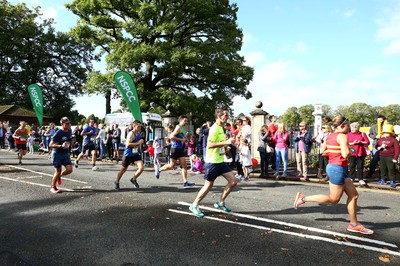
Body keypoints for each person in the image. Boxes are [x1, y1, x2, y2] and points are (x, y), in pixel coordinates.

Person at [294, 116, 374, 235]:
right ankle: (303, 198)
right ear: (341, 126)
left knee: (354, 196)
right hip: (337, 168)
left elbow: (322, 151)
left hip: (335, 167)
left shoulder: (330, 136)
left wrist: (336, 151)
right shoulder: (342, 136)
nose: (348, 127)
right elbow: (345, 153)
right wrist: (351, 150)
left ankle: (354, 224)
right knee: (334, 199)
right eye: (347, 125)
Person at [189, 109, 238, 218]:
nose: (227, 117)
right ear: (219, 116)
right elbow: (210, 145)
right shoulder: (214, 128)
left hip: (220, 161)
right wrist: (226, 142)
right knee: (208, 186)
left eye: (227, 115)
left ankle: (221, 202)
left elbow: (221, 144)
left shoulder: (221, 128)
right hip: (212, 162)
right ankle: (194, 205)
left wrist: (228, 147)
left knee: (233, 181)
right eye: (225, 115)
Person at [155, 115, 195, 188]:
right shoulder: (178, 127)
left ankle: (185, 183)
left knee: (184, 166)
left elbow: (180, 137)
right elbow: (172, 136)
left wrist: (184, 139)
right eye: (185, 121)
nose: (186, 122)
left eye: (186, 121)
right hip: (175, 149)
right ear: (181, 120)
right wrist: (181, 140)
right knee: (171, 166)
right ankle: (159, 169)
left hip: (180, 149)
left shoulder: (183, 128)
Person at [114, 120, 145, 191]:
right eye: (138, 126)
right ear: (134, 126)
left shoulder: (138, 133)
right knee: (123, 169)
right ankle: (117, 181)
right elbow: (127, 144)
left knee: (141, 168)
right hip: (128, 155)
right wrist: (138, 143)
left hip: (135, 154)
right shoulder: (131, 134)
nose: (140, 127)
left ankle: (133, 179)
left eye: (140, 126)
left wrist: (141, 143)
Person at [49, 117, 73, 193]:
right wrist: (60, 146)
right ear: (62, 124)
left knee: (69, 170)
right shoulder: (58, 133)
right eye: (67, 123)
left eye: (69, 123)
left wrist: (71, 143)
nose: (69, 124)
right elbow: (51, 144)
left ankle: (59, 176)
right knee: (58, 171)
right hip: (57, 154)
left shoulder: (69, 131)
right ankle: (53, 187)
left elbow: (69, 140)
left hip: (65, 153)